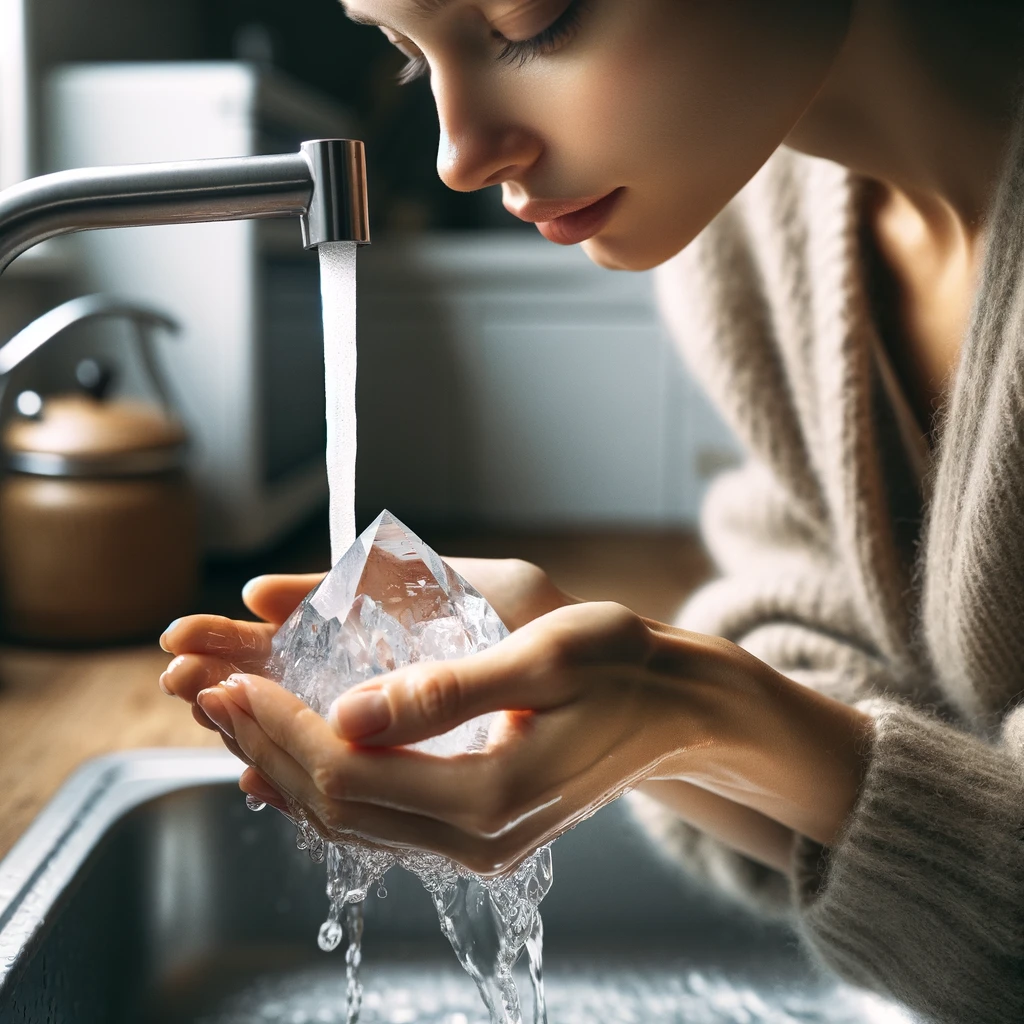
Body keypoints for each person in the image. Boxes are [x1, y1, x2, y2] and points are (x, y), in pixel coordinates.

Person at [159, 2, 1024, 1021]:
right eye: (406, 59)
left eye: (534, 20)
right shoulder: (757, 225)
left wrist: (701, 709)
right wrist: (655, 717)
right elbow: (831, 660)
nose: (458, 156)